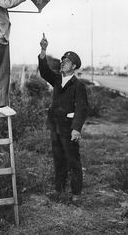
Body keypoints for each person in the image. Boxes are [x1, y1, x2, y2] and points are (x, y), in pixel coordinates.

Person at [38, 33, 88, 203]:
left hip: (68, 129)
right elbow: (44, 71)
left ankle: (76, 194)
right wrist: (43, 50)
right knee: (59, 159)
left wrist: (76, 129)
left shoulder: (78, 85)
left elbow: (81, 108)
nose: (62, 63)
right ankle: (59, 190)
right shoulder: (57, 79)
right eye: (62, 61)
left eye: (66, 62)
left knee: (73, 160)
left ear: (74, 66)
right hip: (55, 127)